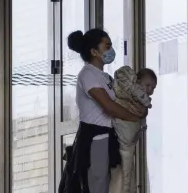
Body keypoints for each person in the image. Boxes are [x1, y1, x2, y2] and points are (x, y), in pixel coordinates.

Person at [58, 29, 146, 193]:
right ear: (94, 52)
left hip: (109, 135)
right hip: (95, 138)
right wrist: (135, 117)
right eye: (107, 46)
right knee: (97, 186)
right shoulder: (87, 74)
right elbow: (109, 107)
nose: (111, 50)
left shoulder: (106, 77)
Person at [109, 67, 156, 193]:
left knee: (127, 168)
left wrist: (142, 124)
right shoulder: (129, 91)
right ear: (137, 81)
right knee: (126, 169)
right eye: (147, 85)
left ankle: (127, 188)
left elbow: (142, 117)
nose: (150, 90)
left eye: (153, 88)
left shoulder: (143, 103)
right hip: (124, 132)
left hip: (130, 136)